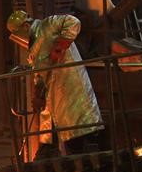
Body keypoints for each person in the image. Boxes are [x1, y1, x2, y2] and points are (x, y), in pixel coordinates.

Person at [7, 10, 104, 160]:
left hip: (72, 84)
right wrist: (38, 93)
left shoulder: (49, 24)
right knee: (68, 133)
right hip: (56, 94)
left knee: (81, 127)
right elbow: (40, 73)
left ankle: (88, 162)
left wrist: (60, 47)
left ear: (25, 26)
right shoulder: (33, 49)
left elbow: (73, 22)